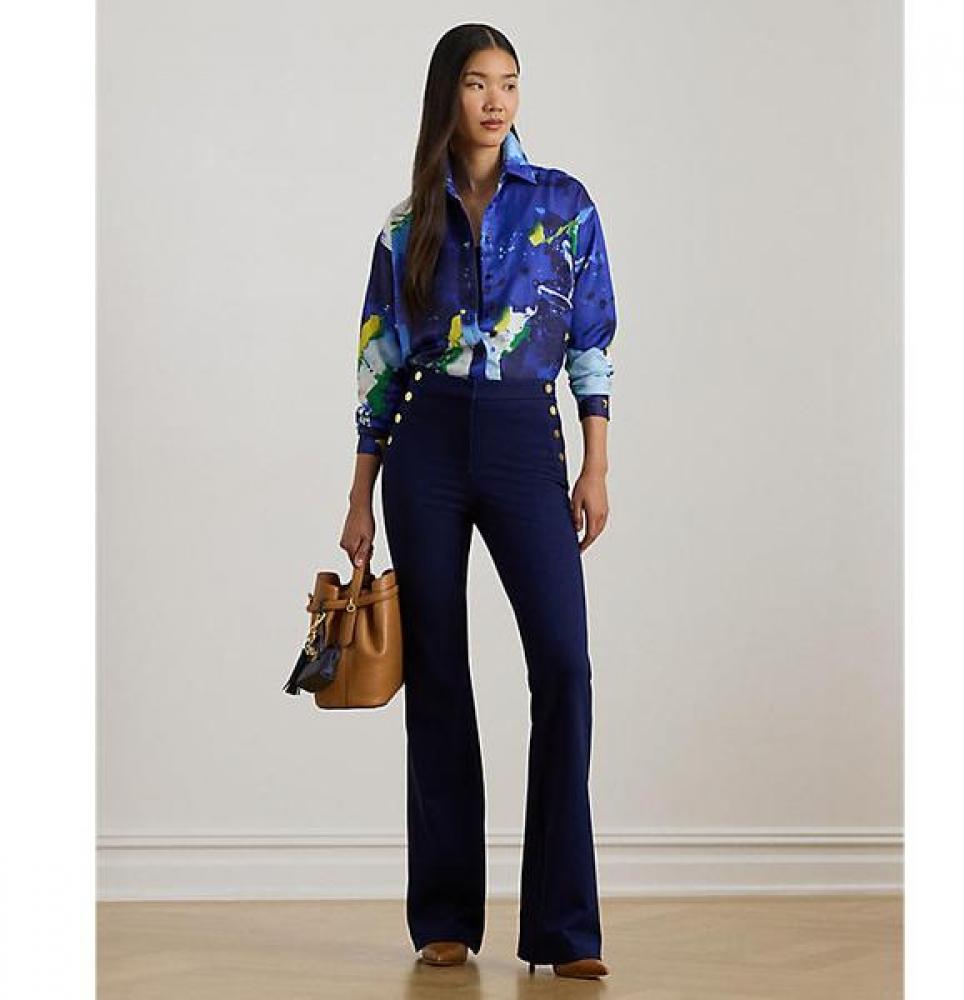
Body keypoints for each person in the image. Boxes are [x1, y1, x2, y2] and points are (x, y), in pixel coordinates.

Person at [339, 23, 615, 981]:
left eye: (509, 83)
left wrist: (595, 463)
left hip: (524, 437)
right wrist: (360, 495)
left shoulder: (564, 206)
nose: (496, 100)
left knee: (564, 666)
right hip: (423, 443)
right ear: (445, 96)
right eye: (476, 83)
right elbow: (378, 365)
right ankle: (446, 915)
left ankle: (565, 930)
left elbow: (591, 342)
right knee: (440, 675)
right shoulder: (405, 223)